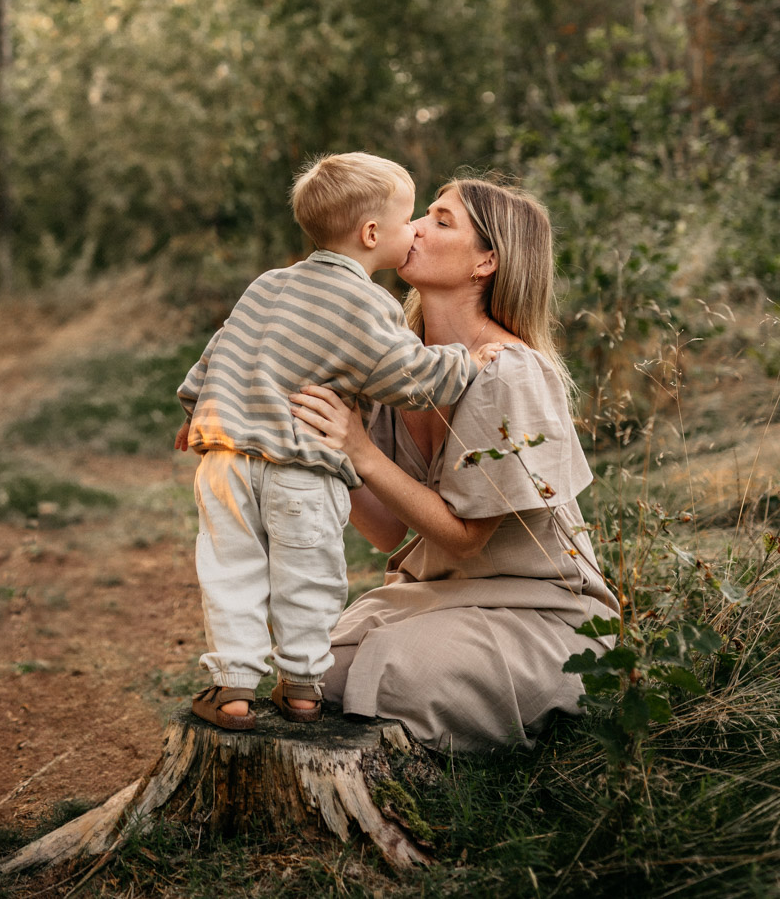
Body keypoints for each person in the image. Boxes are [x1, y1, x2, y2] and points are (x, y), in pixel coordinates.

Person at [175, 153, 504, 732]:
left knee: (230, 569)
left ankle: (232, 688)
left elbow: (222, 347)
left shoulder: (268, 284)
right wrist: (466, 362)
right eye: (410, 220)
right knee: (309, 571)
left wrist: (193, 405)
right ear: (373, 234)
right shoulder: (369, 305)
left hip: (224, 458)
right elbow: (410, 376)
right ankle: (302, 685)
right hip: (302, 467)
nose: (416, 232)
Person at [290, 175, 619, 752]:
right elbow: (390, 528)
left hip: (540, 613)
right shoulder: (398, 369)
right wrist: (327, 450)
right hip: (436, 598)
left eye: (440, 221)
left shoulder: (511, 372)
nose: (411, 227)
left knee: (392, 673)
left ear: (486, 261)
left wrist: (360, 450)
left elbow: (466, 539)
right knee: (309, 674)